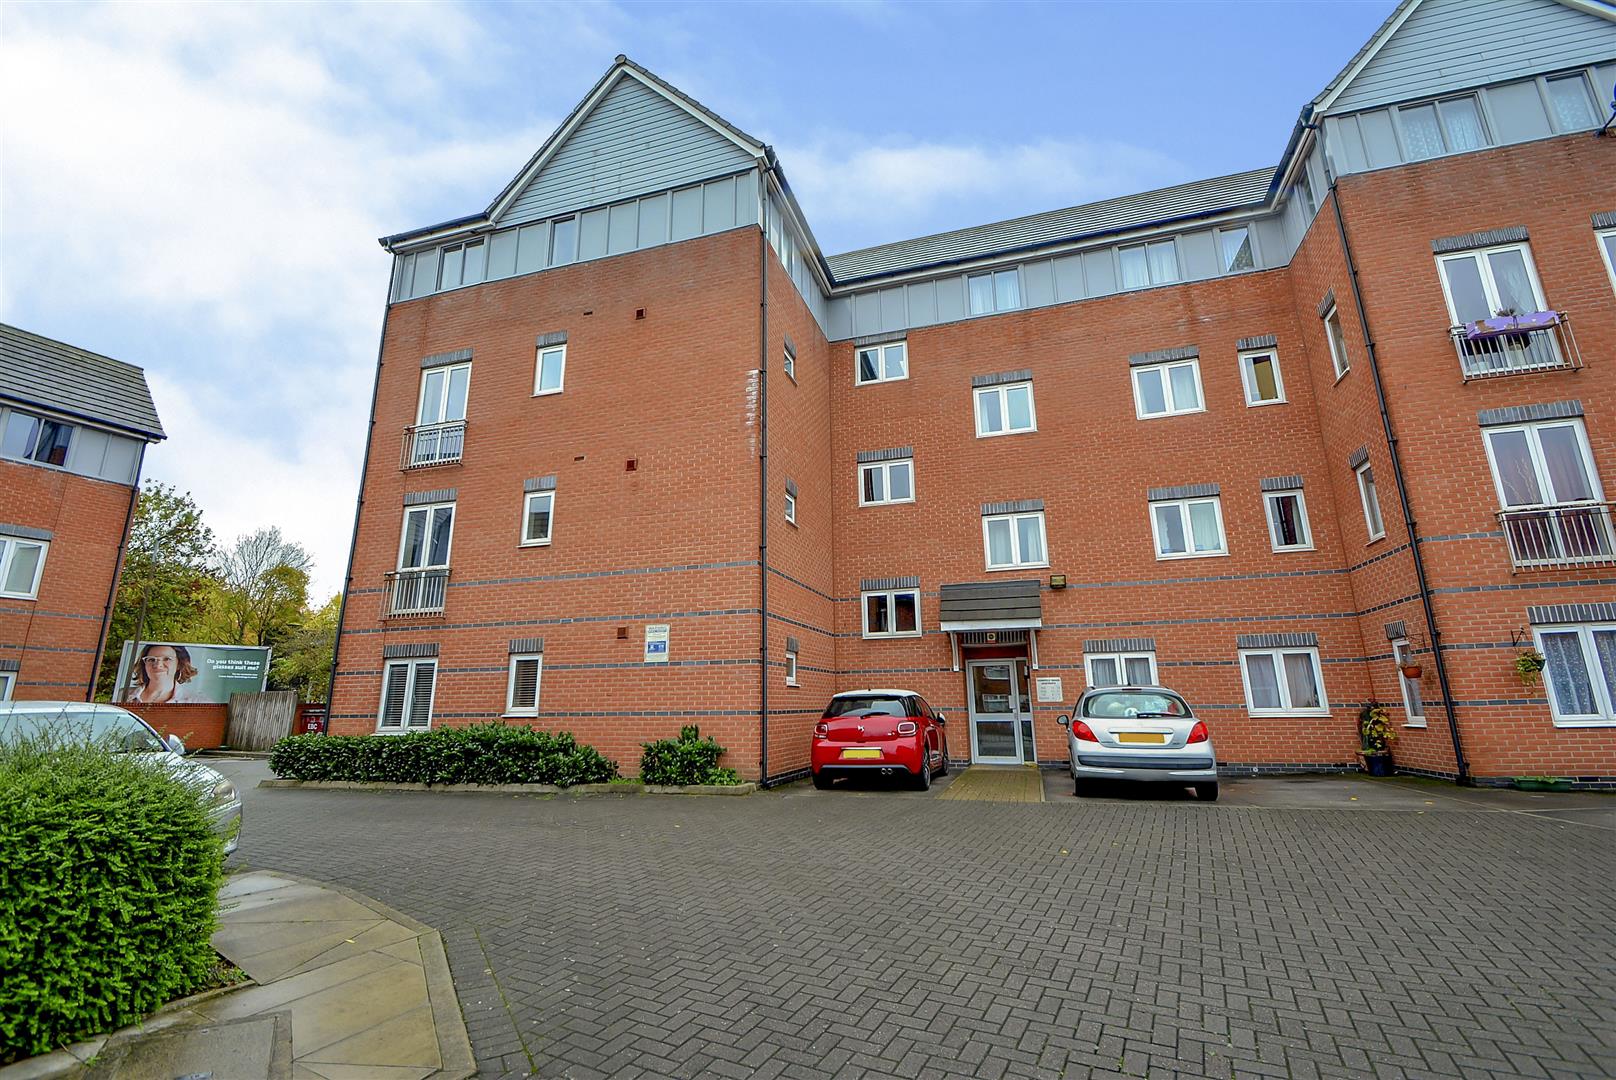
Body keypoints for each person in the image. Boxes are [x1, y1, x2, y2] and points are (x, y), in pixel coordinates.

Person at [126, 643, 200, 704]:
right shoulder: (122, 695)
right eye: (151, 659)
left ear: (179, 664)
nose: (158, 665)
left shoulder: (197, 702)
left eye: (167, 659)